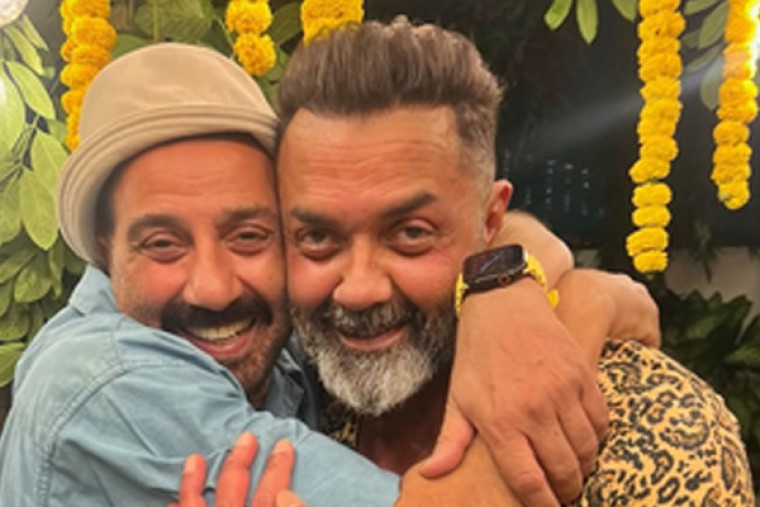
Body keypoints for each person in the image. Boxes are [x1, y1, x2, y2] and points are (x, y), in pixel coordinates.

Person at [0, 42, 627, 507]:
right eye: (163, 245)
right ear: (106, 251)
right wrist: (575, 313)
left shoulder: (283, 336)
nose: (214, 288)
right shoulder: (106, 382)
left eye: (249, 236)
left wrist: (503, 288)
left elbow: (628, 303)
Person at [180, 17, 754, 506]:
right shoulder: (288, 390)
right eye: (317, 239)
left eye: (410, 234)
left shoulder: (650, 427)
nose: (358, 289)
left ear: (490, 220)